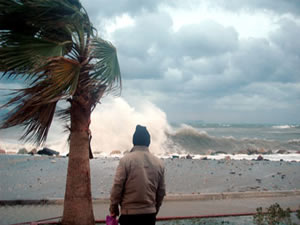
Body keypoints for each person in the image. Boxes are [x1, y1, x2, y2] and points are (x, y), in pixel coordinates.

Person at [109, 125, 166, 225]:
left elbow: (117, 186)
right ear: (148, 142)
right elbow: (161, 191)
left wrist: (113, 209)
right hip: (149, 214)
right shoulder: (159, 163)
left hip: (129, 214)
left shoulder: (126, 160)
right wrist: (155, 209)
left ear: (134, 141)